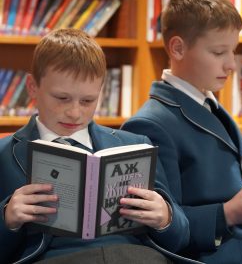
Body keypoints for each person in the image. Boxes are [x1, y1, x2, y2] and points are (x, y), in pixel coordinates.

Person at [121, 0, 242, 264]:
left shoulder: (211, 106)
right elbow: (160, 225)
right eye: (219, 53)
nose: (231, 64)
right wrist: (229, 213)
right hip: (218, 253)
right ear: (177, 48)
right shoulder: (149, 125)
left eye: (233, 51)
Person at [0, 29, 189, 264]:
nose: (75, 112)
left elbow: (181, 238)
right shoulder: (4, 155)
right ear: (32, 87)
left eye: (88, 101)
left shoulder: (134, 144)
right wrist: (7, 220)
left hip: (134, 257)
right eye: (62, 98)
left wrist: (165, 218)